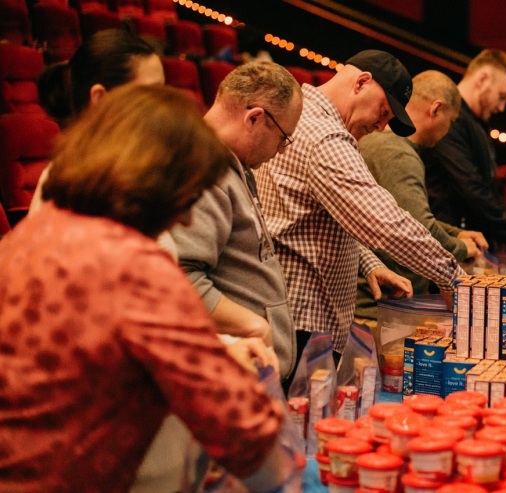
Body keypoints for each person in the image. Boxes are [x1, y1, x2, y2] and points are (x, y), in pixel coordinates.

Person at [0, 85, 300, 492]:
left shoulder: (32, 234)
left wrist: (218, 350)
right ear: (157, 183)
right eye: (188, 195)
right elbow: (240, 426)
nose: (186, 218)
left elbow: (91, 354)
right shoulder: (135, 265)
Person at [255, 50, 463, 363]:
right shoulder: (324, 137)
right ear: (361, 82)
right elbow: (386, 224)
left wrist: (366, 261)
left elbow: (310, 216)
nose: (380, 125)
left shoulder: (300, 113)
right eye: (383, 111)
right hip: (302, 324)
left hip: (288, 315)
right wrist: (453, 278)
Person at [170, 61, 302, 378]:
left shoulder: (229, 164)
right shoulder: (205, 169)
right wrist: (254, 325)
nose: (282, 150)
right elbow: (179, 278)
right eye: (283, 137)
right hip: (229, 373)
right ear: (254, 118)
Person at [354, 70, 488, 324]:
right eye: (450, 121)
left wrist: (455, 233)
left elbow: (402, 214)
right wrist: (460, 248)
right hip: (378, 309)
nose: (448, 131)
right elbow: (417, 226)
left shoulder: (381, 141)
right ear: (436, 109)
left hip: (377, 303)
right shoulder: (397, 153)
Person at [421, 49, 506, 259]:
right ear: (483, 79)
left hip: (465, 242)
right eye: (502, 96)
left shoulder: (474, 120)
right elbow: (469, 187)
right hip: (445, 245)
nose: (502, 107)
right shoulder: (450, 117)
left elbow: (486, 187)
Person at [31, 28, 165, 212]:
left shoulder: (143, 165)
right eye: (151, 93)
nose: (165, 105)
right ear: (101, 99)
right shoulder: (75, 184)